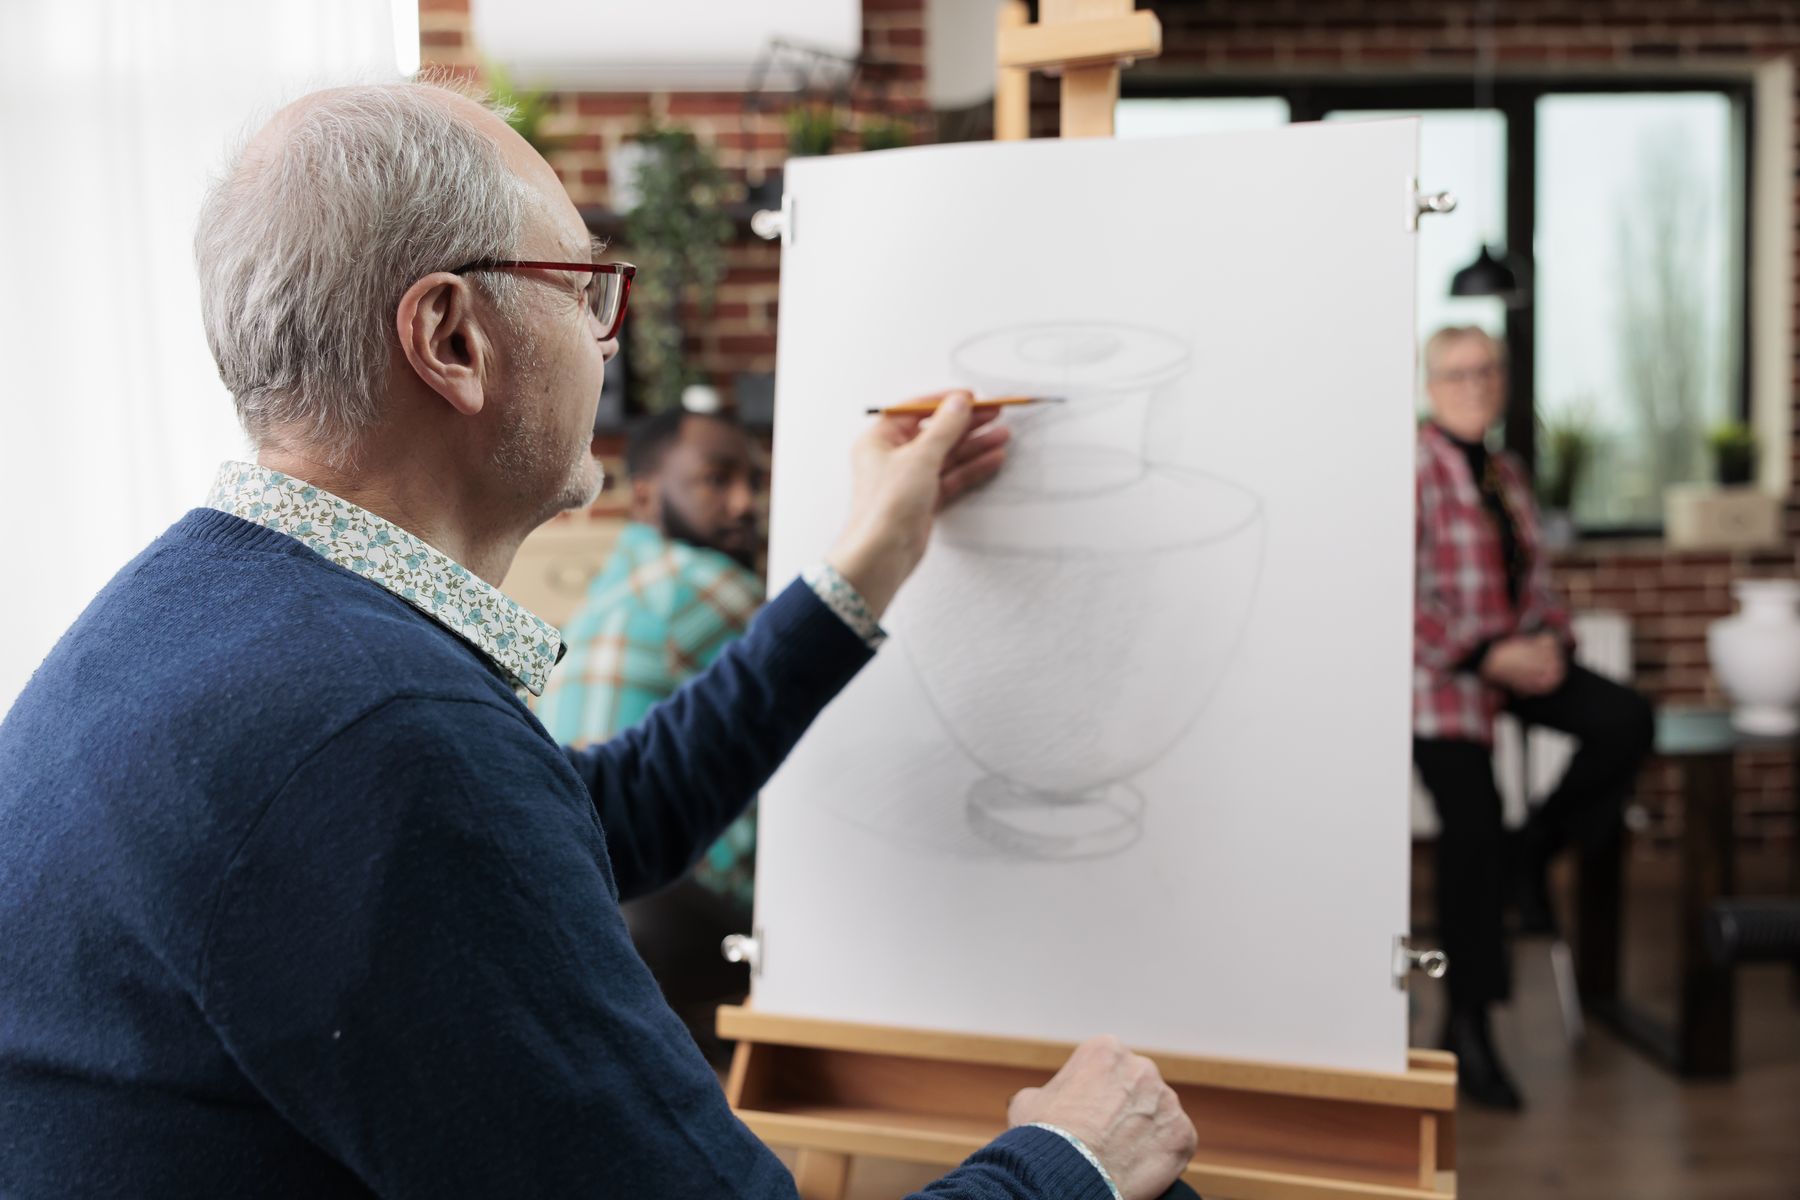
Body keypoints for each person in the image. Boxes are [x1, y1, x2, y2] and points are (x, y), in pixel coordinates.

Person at [0, 80, 1198, 1199]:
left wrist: (868, 562)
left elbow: (599, 817)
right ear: (453, 340)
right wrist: (1069, 1160)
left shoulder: (202, 612)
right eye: (582, 289)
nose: (607, 336)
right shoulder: (380, 738)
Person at [1413, 325, 1655, 1113]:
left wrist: (1550, 641)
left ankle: (1537, 846)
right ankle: (1470, 1025)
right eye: (1457, 371)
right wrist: (1485, 655)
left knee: (1624, 718)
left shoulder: (1507, 473)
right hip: (1445, 681)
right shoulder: (1413, 468)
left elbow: (1539, 583)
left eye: (1486, 370)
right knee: (1471, 832)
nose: (1474, 383)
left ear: (1503, 380)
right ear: (1431, 382)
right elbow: (1397, 594)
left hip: (1518, 661)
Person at [536, 405, 769, 1062]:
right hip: (675, 905)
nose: (745, 503)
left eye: (753, 481)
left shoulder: (613, 587)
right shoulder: (711, 585)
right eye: (715, 481)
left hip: (583, 902)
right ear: (645, 494)